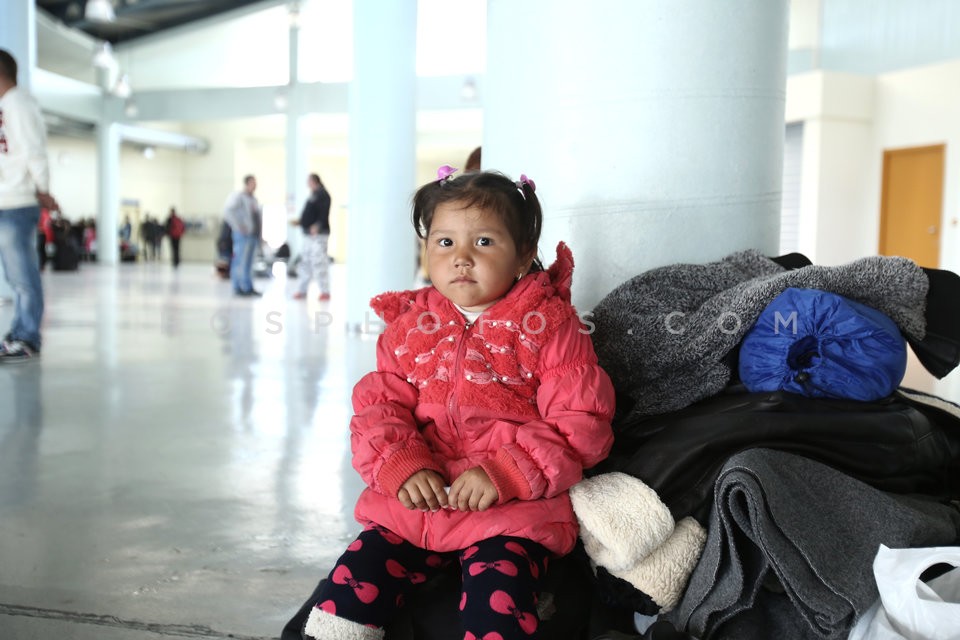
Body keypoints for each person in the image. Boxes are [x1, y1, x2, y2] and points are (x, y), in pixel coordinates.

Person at [300, 167, 616, 640]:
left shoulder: (550, 327)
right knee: (346, 595)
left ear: (524, 255)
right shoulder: (411, 327)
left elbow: (581, 423)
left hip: (509, 511)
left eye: (484, 242)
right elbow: (378, 410)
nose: (462, 258)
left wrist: (504, 473)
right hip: (417, 504)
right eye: (445, 243)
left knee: (497, 608)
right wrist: (402, 466)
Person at [0, 49, 58, 362]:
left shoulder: (19, 104)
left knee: (23, 276)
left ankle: (27, 337)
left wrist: (44, 190)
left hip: (18, 202)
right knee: (14, 275)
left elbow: (34, 150)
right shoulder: (6, 105)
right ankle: (18, 333)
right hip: (5, 201)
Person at [292, 173, 332, 301]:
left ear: (314, 181)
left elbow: (323, 213)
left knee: (319, 262)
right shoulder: (313, 195)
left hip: (318, 235)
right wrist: (301, 222)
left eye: (308, 181)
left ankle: (325, 291)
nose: (307, 184)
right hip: (308, 235)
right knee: (305, 263)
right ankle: (302, 290)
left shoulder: (323, 195)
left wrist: (318, 225)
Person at [222, 175, 261, 296]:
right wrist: (238, 227)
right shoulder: (238, 197)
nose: (255, 185)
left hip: (253, 235)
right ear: (247, 183)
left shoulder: (253, 200)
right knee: (239, 261)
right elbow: (227, 212)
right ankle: (237, 287)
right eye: (253, 183)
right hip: (242, 235)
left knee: (249, 263)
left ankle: (248, 286)